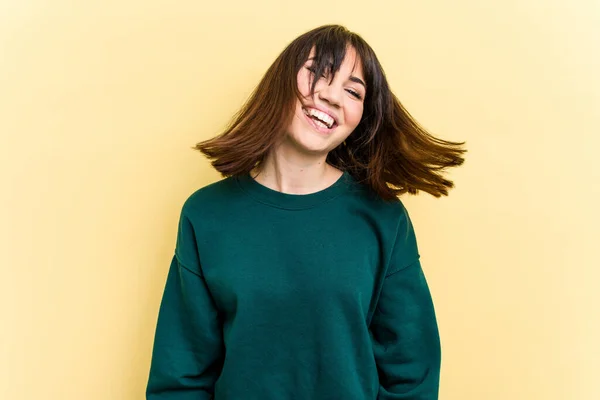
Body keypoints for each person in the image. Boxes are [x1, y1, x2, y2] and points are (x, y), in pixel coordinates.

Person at [146, 24, 466, 400]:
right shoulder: (206, 215)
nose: (331, 95)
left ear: (362, 116)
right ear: (281, 81)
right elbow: (180, 373)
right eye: (318, 72)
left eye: (352, 91)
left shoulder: (383, 218)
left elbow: (412, 371)